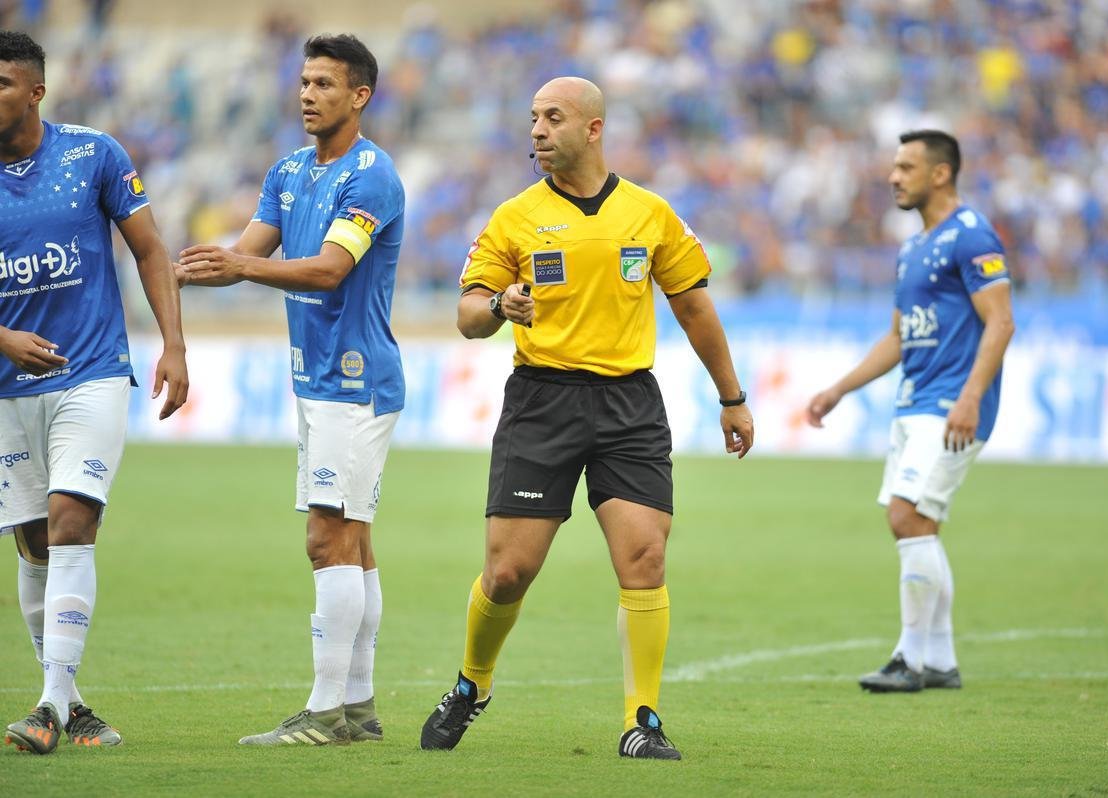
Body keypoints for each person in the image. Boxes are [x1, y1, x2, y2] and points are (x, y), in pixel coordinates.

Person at [419, 76, 754, 760]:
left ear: (593, 130)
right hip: (541, 401)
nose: (537, 130)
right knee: (509, 572)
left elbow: (694, 307)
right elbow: (467, 313)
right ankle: (471, 684)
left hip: (629, 404)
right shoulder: (513, 216)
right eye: (532, 118)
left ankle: (643, 721)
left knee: (645, 558)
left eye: (553, 118)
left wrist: (732, 397)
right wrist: (499, 307)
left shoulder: (651, 214)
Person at [175, 33, 404, 746]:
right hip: (316, 381)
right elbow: (247, 254)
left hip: (355, 381)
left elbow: (329, 269)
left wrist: (240, 268)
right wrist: (194, 266)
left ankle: (324, 710)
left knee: (325, 539)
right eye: (304, 82)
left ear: (359, 96)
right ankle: (358, 708)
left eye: (325, 84)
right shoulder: (289, 171)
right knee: (354, 543)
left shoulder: (372, 175)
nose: (308, 94)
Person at [0, 30, 189, 753]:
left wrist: (172, 345)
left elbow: (148, 248)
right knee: (33, 541)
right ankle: (73, 705)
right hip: (7, 387)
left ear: (36, 91)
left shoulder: (92, 155)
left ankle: (46, 705)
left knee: (71, 518)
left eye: (2, 83)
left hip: (92, 371)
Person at [807, 130, 1014, 693]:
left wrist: (970, 396)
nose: (893, 176)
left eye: (905, 166)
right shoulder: (912, 248)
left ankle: (909, 658)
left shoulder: (972, 236)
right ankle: (940, 661)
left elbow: (1001, 321)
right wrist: (839, 389)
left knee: (905, 515)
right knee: (918, 523)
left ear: (940, 173)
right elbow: (899, 338)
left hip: (950, 402)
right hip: (915, 400)